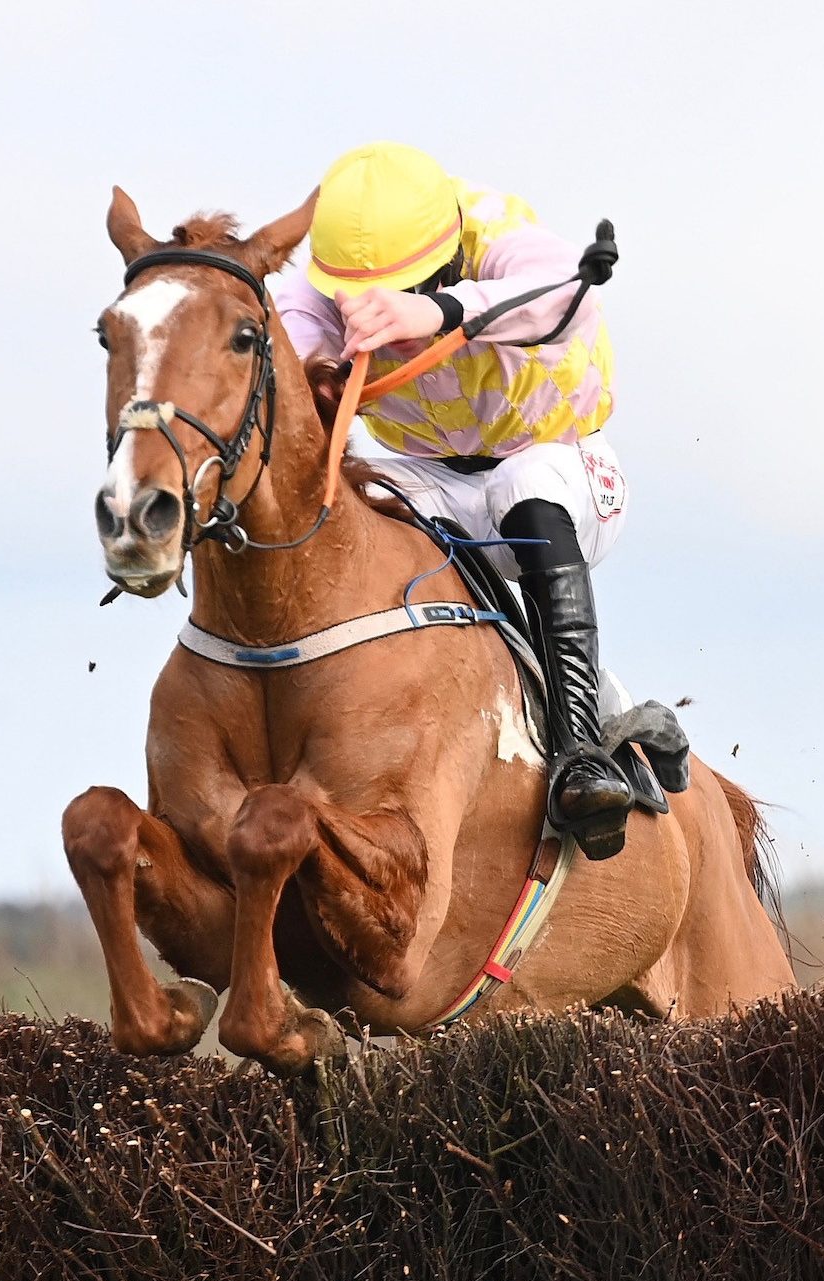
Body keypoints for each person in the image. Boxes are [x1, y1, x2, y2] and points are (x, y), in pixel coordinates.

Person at [273, 141, 642, 860]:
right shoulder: (320, 286)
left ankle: (581, 751)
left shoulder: (495, 230)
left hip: (558, 462)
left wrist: (433, 311)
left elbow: (567, 294)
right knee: (357, 508)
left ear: (443, 260)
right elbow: (290, 346)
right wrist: (314, 375)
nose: (366, 308)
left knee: (525, 488)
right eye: (351, 295)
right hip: (432, 476)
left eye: (396, 287)